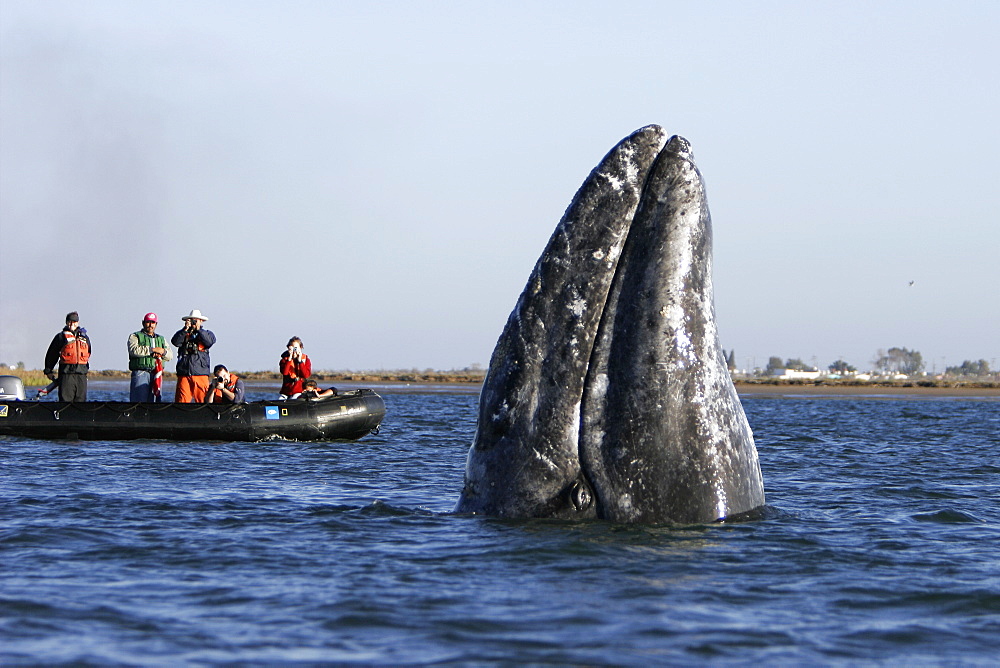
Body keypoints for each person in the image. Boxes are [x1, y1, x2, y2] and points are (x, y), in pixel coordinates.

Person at [43, 311, 92, 401]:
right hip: (66, 374)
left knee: (81, 402)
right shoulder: (60, 337)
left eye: (74, 322)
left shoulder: (85, 338)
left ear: (77, 323)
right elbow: (52, 354)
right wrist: (48, 370)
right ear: (66, 322)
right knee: (65, 401)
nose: (71, 324)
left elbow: (88, 353)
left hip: (81, 375)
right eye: (69, 321)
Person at [170, 309, 216, 403]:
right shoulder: (183, 333)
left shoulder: (207, 333)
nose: (194, 322)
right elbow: (175, 342)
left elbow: (209, 342)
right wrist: (185, 330)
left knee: (202, 401)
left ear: (201, 321)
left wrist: (199, 330)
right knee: (182, 401)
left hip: (200, 373)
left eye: (196, 320)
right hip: (184, 373)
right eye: (192, 320)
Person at [127, 312, 173, 402]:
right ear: (143, 323)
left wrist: (162, 351)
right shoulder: (135, 336)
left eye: (153, 322)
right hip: (140, 373)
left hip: (156, 374)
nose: (150, 325)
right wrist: (152, 350)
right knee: (139, 402)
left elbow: (170, 356)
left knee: (155, 402)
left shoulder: (161, 339)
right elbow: (134, 350)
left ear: (156, 324)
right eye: (148, 322)